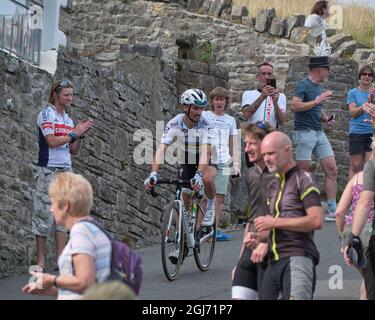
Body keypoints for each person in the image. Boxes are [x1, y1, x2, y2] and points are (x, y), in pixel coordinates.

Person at [144, 88, 217, 254]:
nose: (200, 112)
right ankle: (182, 241)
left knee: (206, 179)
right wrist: (153, 173)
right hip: (187, 157)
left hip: (206, 155)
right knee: (184, 196)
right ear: (186, 107)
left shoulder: (207, 124)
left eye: (202, 108)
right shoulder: (175, 123)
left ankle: (210, 207)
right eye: (196, 108)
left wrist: (199, 175)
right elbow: (161, 149)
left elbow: (206, 152)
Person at [32, 79, 94, 271]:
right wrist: (74, 134)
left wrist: (80, 136)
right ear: (55, 95)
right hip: (48, 170)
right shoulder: (46, 115)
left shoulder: (68, 120)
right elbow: (51, 141)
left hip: (66, 172)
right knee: (43, 215)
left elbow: (73, 150)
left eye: (71, 94)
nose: (70, 98)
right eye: (66, 95)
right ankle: (41, 260)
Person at [253, 132, 323, 300]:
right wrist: (258, 238)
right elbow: (273, 227)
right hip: (274, 260)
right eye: (264, 155)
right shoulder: (273, 185)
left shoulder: (304, 179)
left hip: (297, 257)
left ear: (287, 150)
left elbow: (316, 220)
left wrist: (274, 222)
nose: (267, 159)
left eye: (271, 153)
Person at [23, 172, 111, 300]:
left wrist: (52, 280)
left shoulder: (81, 233)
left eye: (53, 203)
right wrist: (52, 292)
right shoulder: (92, 229)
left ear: (66, 206)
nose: (51, 209)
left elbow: (84, 282)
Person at [231, 121, 276, 300]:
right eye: (245, 144)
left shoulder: (281, 175)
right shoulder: (251, 174)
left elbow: (288, 215)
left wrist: (266, 243)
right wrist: (240, 260)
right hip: (251, 250)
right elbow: (252, 220)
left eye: (251, 144)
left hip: (275, 250)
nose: (246, 149)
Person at [292, 56, 337, 222]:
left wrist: (326, 119)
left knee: (332, 169)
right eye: (327, 69)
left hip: (319, 132)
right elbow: (295, 105)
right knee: (304, 171)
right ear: (318, 69)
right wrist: (317, 100)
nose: (328, 72)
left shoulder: (319, 86)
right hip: (304, 132)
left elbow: (318, 108)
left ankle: (332, 209)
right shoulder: (303, 84)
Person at [201, 87, 240, 241]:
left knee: (219, 198)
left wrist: (235, 164)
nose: (219, 102)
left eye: (222, 99)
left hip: (223, 160)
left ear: (226, 102)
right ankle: (200, 229)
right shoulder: (204, 115)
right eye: (216, 99)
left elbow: (233, 144)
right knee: (205, 197)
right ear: (212, 101)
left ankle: (214, 232)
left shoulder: (230, 120)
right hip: (207, 160)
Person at [336, 170, 374, 299]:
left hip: (352, 233)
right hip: (370, 233)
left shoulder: (357, 178)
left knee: (367, 279)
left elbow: (339, 212)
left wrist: (343, 239)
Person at [241, 62, 287, 167]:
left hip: (271, 139)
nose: (266, 77)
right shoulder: (248, 94)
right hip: (253, 139)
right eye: (263, 74)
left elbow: (282, 121)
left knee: (270, 173)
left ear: (273, 77)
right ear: (257, 77)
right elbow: (246, 114)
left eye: (269, 74)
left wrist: (275, 102)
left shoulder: (281, 96)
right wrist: (262, 96)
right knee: (253, 172)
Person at [346, 65, 375, 179]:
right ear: (360, 76)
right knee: (355, 166)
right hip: (357, 131)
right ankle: (351, 195)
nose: (367, 76)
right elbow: (352, 112)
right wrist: (365, 104)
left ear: (373, 78)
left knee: (368, 167)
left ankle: (363, 195)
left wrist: (372, 99)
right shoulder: (353, 92)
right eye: (364, 74)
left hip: (371, 132)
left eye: (370, 74)